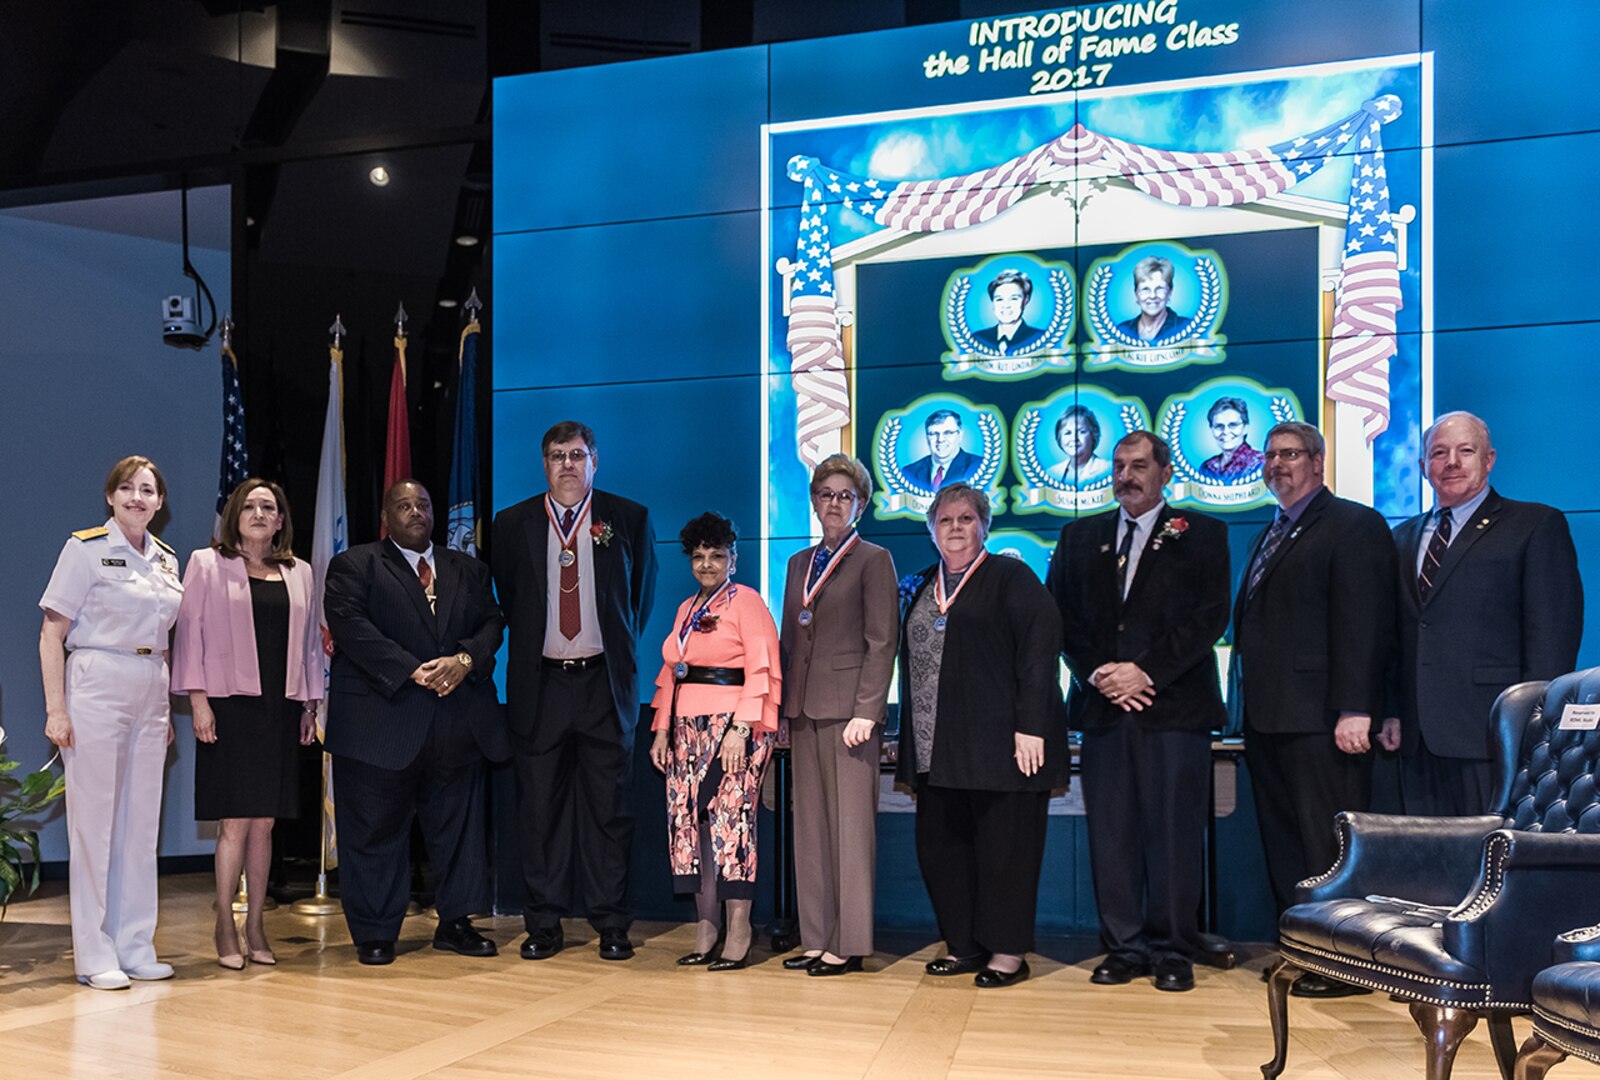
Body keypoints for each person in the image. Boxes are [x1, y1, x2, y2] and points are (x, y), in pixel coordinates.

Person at [1047, 432, 1230, 994]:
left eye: (1139, 465)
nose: (1127, 475)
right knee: (1113, 835)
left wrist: (1144, 671)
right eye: (1120, 465)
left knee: (1173, 836)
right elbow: (1059, 616)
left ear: (1165, 472)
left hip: (1173, 710)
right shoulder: (1081, 536)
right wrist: (1100, 672)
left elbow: (1209, 617)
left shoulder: (1202, 534)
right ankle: (1123, 947)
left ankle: (1173, 947)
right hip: (1105, 713)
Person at [1229, 422, 1397, 999]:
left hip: (1327, 722)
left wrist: (1357, 709)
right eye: (1271, 455)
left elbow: (1364, 624)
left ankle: (1346, 965)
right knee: (1286, 845)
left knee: (1329, 849)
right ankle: (1303, 951)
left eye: (1291, 454)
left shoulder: (1353, 524)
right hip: (1270, 719)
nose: (1278, 464)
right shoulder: (1271, 530)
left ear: (1319, 462)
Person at [322, 480, 508, 966]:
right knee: (375, 832)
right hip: (379, 724)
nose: (415, 512)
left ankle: (457, 923)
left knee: (459, 828)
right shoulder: (354, 565)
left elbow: (492, 623)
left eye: (422, 504)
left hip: (456, 722)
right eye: (403, 506)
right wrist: (412, 669)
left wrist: (464, 660)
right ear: (386, 516)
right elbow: (350, 626)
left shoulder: (467, 568)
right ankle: (376, 932)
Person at [491, 421, 658, 962]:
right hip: (541, 686)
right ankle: (544, 924)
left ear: (595, 462)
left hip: (603, 685)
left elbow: (639, 600)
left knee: (610, 811)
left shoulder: (627, 518)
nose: (568, 464)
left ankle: (611, 923)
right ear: (544, 464)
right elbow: (512, 597)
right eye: (557, 455)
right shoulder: (512, 523)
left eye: (577, 454)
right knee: (540, 812)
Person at [896, 482, 1067, 989]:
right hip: (935, 751)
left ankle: (1008, 954)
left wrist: (1031, 725)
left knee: (1004, 854)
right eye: (945, 520)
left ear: (984, 526)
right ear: (931, 530)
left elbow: (1040, 651)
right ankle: (964, 945)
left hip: (1002, 750)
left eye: (965, 519)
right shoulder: (924, 585)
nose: (955, 528)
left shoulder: (1011, 577)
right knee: (943, 850)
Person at [1386, 411, 1583, 816]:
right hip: (1416, 738)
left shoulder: (1534, 525)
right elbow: (1396, 636)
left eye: (1465, 451)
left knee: (1487, 858)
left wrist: (1535, 725)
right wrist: (1391, 709)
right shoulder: (1401, 537)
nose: (1451, 462)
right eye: (1439, 453)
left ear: (1489, 459)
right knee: (1426, 864)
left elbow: (1552, 633)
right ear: (1424, 467)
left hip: (1491, 732)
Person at [39, 455, 185, 991]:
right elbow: (51, 633)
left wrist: (164, 707)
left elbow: (166, 641)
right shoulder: (85, 549)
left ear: (160, 502)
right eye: (127, 489)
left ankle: (135, 944)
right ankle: (95, 953)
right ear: (110, 497)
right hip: (97, 680)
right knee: (95, 824)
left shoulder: (167, 560)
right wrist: (57, 709)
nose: (137, 498)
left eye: (147, 490)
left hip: (150, 682)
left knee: (141, 824)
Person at [170, 478, 321, 969]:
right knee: (234, 820)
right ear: (234, 515)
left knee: (266, 821)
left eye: (269, 507)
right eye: (251, 505)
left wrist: (310, 705)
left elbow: (311, 646)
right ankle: (224, 924)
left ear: (281, 520)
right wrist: (198, 701)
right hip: (228, 707)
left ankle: (256, 923)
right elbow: (188, 635)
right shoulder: (206, 564)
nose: (259, 513)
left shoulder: (300, 571)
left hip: (281, 707)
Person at [778, 454, 898, 976]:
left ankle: (848, 943)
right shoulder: (797, 564)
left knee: (850, 832)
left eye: (844, 496)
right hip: (803, 711)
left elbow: (882, 642)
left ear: (861, 505)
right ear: (813, 500)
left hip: (850, 715)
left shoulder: (874, 559)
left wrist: (868, 710)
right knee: (810, 832)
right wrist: (782, 711)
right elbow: (788, 641)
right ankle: (816, 936)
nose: (833, 503)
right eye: (825, 494)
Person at [646, 513, 780, 971]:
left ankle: (739, 929)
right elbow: (672, 674)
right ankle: (706, 928)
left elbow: (762, 669)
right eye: (699, 556)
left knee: (732, 822)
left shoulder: (748, 602)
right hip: (685, 730)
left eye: (716, 556)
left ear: (733, 559)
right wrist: (661, 729)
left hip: (734, 729)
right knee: (689, 827)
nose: (707, 564)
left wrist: (742, 729)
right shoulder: (685, 609)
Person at [1114, 256, 1194, 345]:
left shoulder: (1187, 327)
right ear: (1136, 294)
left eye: (1159, 288)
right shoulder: (1122, 331)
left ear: (1170, 292)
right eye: (1145, 289)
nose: (1152, 296)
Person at [901, 409, 982, 492]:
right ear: (927, 437)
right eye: (934, 434)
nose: (940, 439)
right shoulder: (909, 472)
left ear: (960, 435)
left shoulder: (979, 467)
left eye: (948, 433)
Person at [970, 269, 1045, 355]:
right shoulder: (978, 339)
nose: (1006, 305)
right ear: (992, 302)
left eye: (1013, 298)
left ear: (1025, 300)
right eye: (999, 299)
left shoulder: (1041, 338)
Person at [1199, 397, 1264, 480]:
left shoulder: (1260, 463)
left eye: (1233, 425)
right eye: (1219, 426)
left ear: (1245, 428)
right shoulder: (1207, 467)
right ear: (1211, 429)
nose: (1225, 432)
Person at [1052, 404, 1112, 485]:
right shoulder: (1051, 472)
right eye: (1067, 433)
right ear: (1059, 438)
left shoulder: (1109, 469)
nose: (1074, 438)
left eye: (1081, 432)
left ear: (1093, 435)